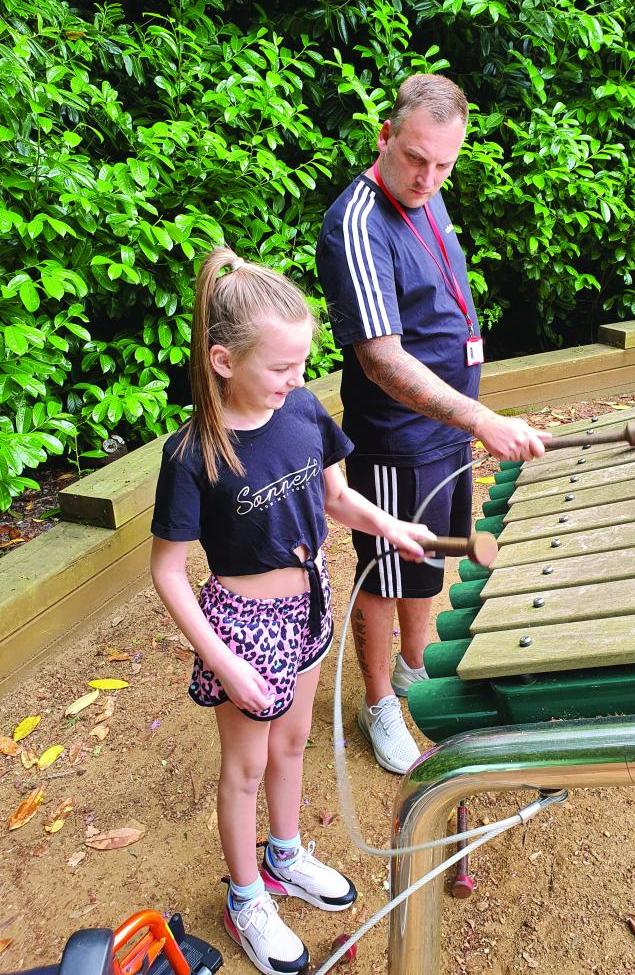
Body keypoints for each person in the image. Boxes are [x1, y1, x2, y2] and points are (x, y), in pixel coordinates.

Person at [149, 248, 431, 975]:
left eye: (302, 362)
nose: (297, 379)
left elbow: (333, 495)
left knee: (294, 742)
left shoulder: (302, 409)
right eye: (280, 367)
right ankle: (246, 894)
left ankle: (283, 853)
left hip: (309, 606)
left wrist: (387, 524)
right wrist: (221, 658)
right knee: (244, 766)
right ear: (221, 359)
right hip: (241, 628)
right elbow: (168, 570)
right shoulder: (193, 452)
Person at [316, 73, 549, 775]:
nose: (428, 176)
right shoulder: (356, 224)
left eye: (444, 163)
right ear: (385, 137)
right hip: (397, 436)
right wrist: (481, 416)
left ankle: (416, 668)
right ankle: (379, 701)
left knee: (430, 559)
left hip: (446, 431)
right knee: (385, 571)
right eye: (416, 158)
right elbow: (383, 361)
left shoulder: (431, 194)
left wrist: (469, 416)